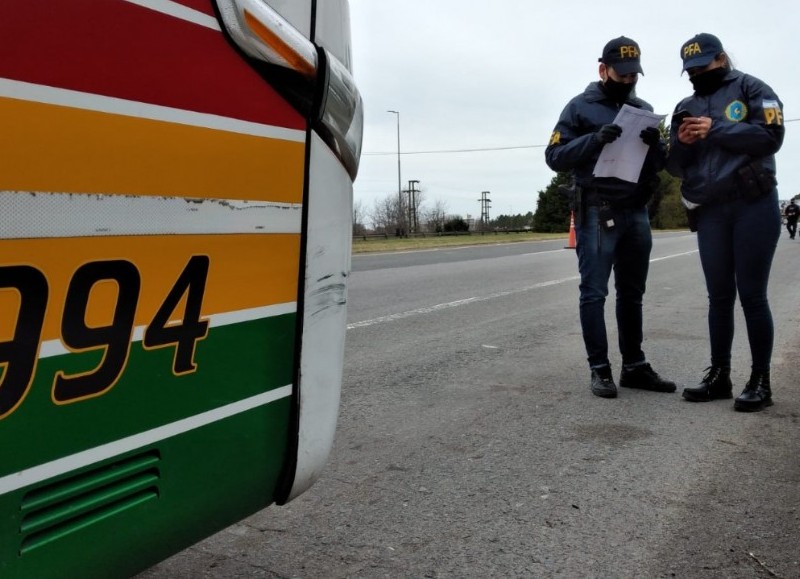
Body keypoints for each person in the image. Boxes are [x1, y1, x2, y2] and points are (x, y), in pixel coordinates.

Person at [545, 36, 675, 399]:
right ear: (603, 69)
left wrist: (656, 145)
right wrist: (595, 140)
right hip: (596, 213)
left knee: (632, 294)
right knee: (594, 293)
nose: (629, 80)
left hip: (636, 212)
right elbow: (554, 156)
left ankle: (634, 366)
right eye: (622, 75)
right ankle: (600, 370)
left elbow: (660, 164)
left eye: (635, 75)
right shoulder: (579, 108)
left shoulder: (642, 107)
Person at [667, 33, 784, 412]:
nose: (695, 75)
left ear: (720, 59)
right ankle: (720, 375)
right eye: (689, 71)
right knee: (718, 297)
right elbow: (674, 165)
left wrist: (715, 129)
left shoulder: (753, 88)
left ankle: (760, 380)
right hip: (712, 209)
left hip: (753, 203)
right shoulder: (686, 105)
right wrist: (683, 142)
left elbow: (771, 136)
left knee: (752, 295)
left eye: (701, 67)